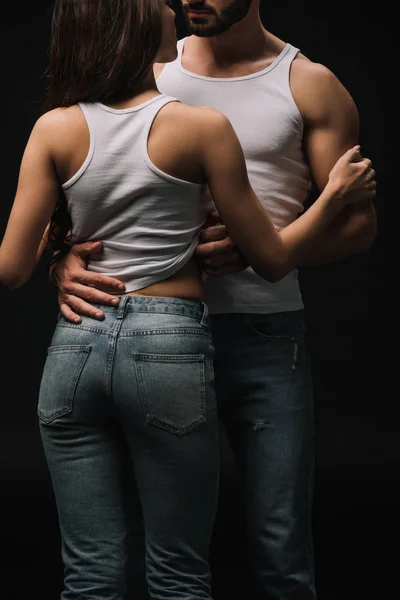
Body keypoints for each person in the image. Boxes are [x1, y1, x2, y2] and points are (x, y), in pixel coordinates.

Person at [1, 0, 376, 598]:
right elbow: (75, 202)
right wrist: (62, 254)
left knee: (277, 543)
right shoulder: (150, 61)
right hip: (162, 335)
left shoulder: (309, 84)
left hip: (261, 335)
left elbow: (361, 227)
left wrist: (266, 247)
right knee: (163, 559)